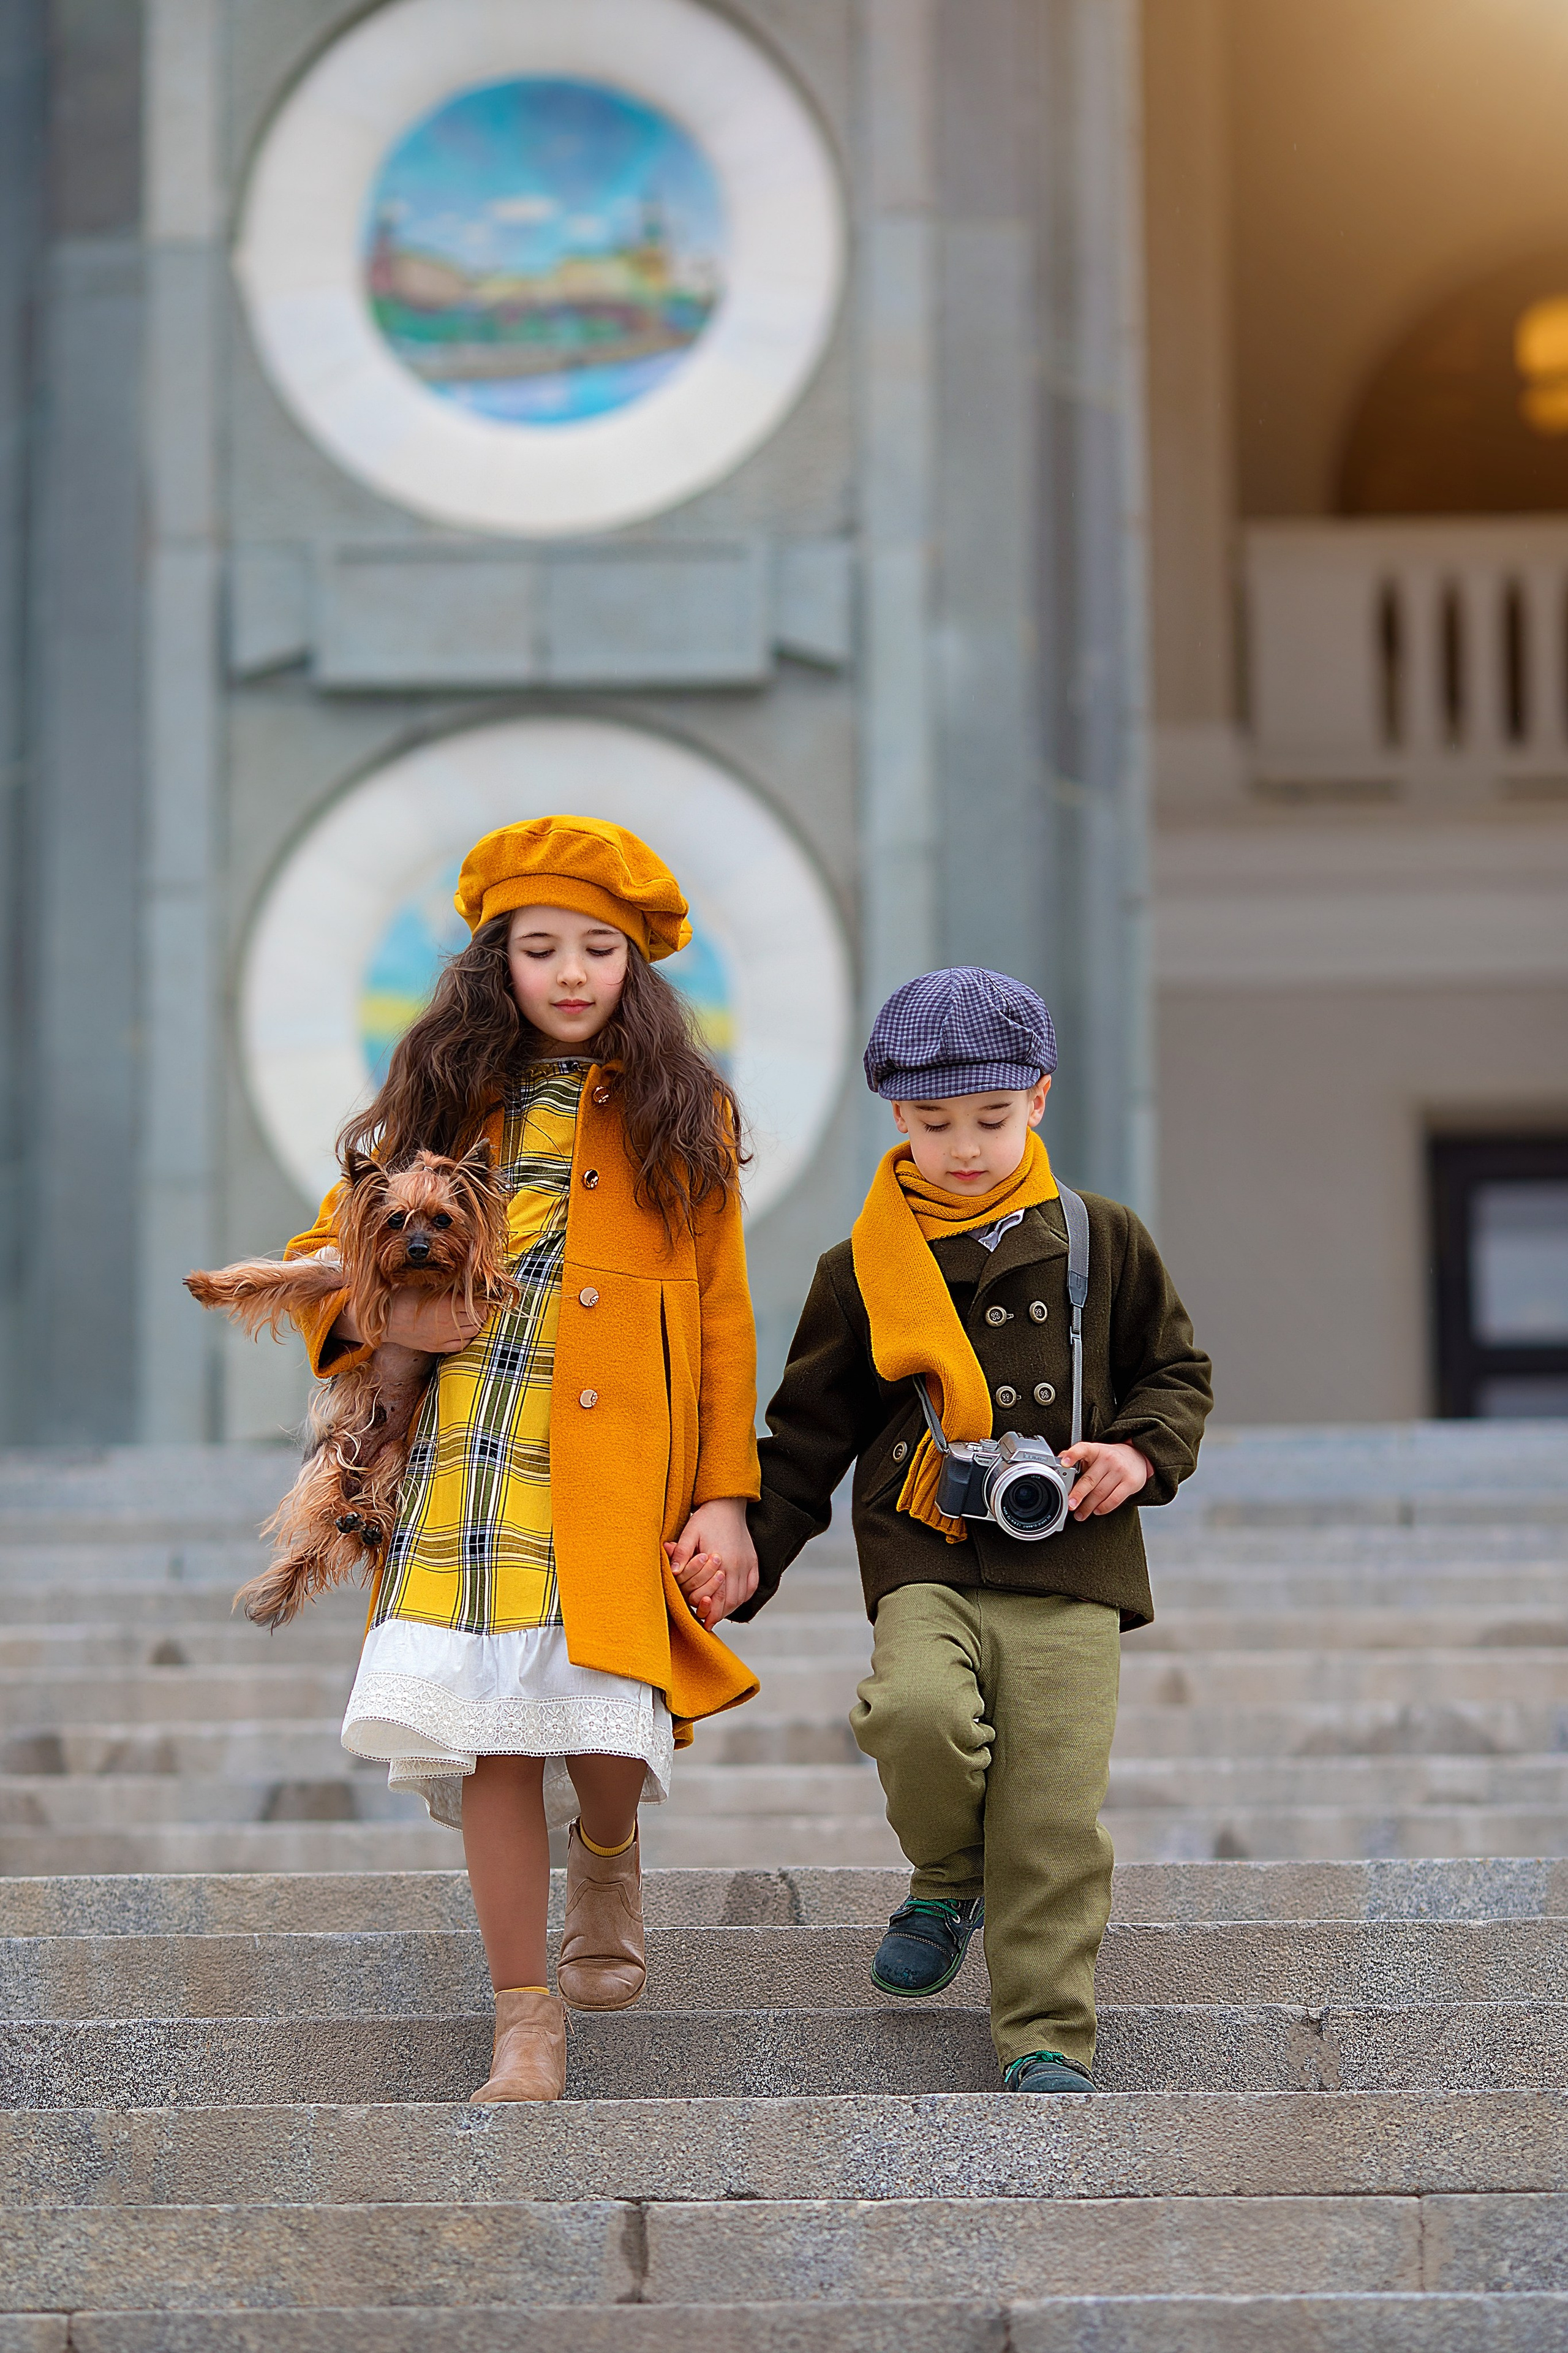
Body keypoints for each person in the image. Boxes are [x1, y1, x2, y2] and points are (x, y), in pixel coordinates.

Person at [284, 815, 761, 2103]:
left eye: (594, 948)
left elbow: (720, 1312)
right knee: (489, 1735)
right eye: (537, 946)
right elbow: (332, 1256)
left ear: (633, 964)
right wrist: (388, 1322)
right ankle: (523, 2019)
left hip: (606, 1458)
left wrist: (724, 1495)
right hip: (464, 1454)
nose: (566, 971)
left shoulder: (681, 1110)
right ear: (494, 962)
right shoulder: (440, 1101)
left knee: (604, 1711)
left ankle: (605, 1851)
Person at [687, 966, 1212, 2093]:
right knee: (914, 1712)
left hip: (1074, 1560)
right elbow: (809, 1435)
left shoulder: (1102, 1238)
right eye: (934, 1123)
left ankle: (1042, 2033)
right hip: (927, 1548)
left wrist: (1135, 1451)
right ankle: (945, 1872)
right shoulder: (861, 1267)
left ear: (1039, 1096)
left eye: (991, 1116)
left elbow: (1176, 1371)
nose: (964, 1146)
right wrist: (745, 1549)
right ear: (896, 1117)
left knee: (1054, 1812)